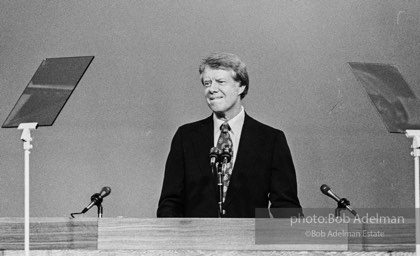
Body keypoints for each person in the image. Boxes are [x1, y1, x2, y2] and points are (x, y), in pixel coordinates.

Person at [157, 52, 302, 218]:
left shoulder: (270, 140)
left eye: (220, 82)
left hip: (249, 241)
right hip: (196, 241)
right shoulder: (186, 137)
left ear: (241, 86)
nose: (212, 89)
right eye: (207, 83)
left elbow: (286, 207)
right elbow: (170, 204)